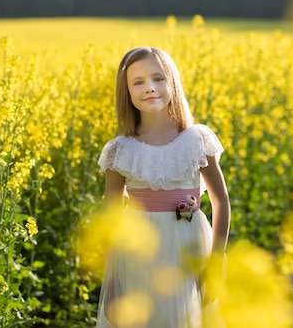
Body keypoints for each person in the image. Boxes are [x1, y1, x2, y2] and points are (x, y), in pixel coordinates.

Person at [95, 46, 230, 328]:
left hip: (188, 249)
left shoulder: (196, 140)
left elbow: (221, 203)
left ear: (172, 82)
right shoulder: (120, 150)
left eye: (158, 78)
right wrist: (114, 281)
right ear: (127, 93)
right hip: (136, 255)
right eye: (138, 82)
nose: (150, 88)